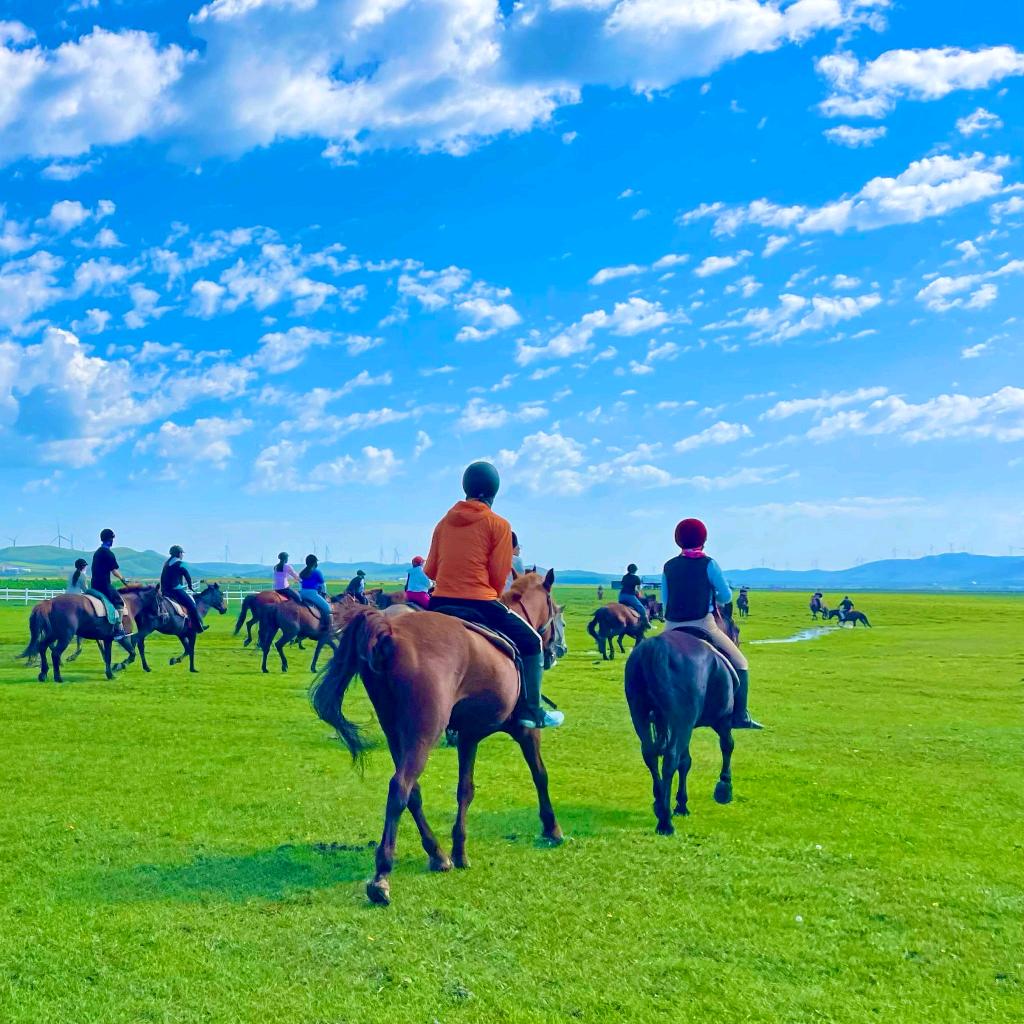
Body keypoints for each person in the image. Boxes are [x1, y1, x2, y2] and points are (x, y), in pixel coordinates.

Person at [426, 461, 563, 729]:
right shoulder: (498, 524)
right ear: (494, 492)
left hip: (439, 602)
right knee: (532, 641)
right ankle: (531, 711)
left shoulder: (443, 523)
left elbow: (431, 569)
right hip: (480, 602)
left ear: (465, 488)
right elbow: (499, 576)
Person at [661, 518, 764, 730]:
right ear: (703, 540)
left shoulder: (668, 566)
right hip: (703, 624)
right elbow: (726, 597)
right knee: (741, 663)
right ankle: (740, 716)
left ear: (678, 541)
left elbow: (665, 600)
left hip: (671, 626)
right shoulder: (709, 564)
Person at [90, 528, 130, 637]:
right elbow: (114, 571)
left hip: (94, 584)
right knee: (119, 602)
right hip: (104, 584)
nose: (113, 540)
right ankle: (118, 629)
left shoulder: (97, 552)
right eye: (112, 538)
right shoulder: (108, 553)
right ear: (109, 539)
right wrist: (123, 579)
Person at [160, 545, 206, 633]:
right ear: (179, 553)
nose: (182, 555)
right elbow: (187, 576)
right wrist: (190, 586)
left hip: (165, 591)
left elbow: (162, 577)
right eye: (182, 553)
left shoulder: (166, 563)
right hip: (176, 590)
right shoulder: (180, 563)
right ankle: (198, 626)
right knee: (192, 605)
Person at [299, 555, 332, 636]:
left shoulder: (303, 572)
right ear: (314, 563)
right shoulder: (317, 572)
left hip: (301, 593)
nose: (317, 563)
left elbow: (300, 582)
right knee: (328, 608)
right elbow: (323, 585)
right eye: (316, 562)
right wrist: (324, 593)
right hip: (312, 594)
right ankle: (329, 628)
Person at [618, 563, 650, 630]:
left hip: (621, 596)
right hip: (630, 596)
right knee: (642, 609)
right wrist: (639, 594)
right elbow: (637, 589)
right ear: (635, 570)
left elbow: (623, 585)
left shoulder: (624, 577)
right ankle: (647, 623)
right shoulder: (636, 578)